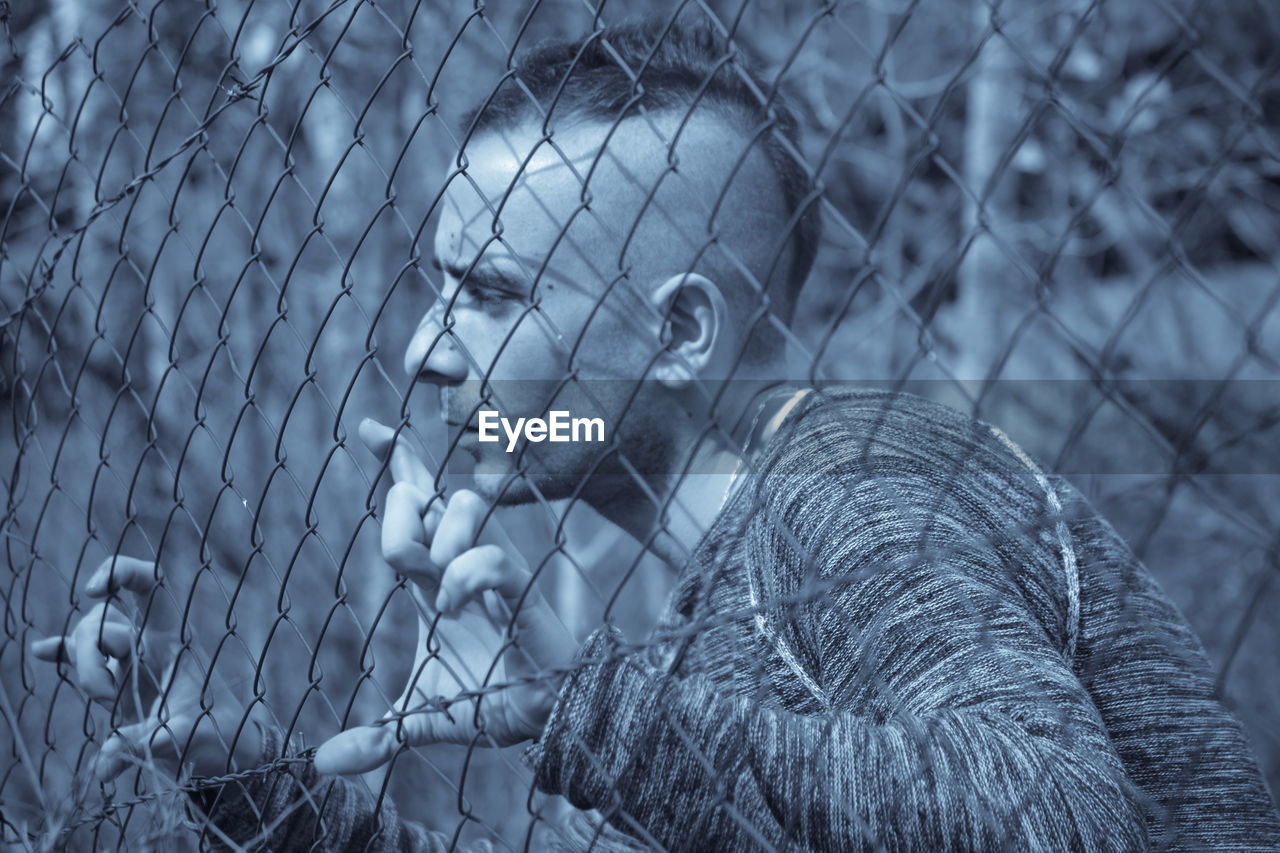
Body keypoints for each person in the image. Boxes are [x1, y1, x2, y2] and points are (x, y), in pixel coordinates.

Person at [34, 18, 1280, 852]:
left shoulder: (853, 492)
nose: (423, 348)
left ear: (680, 332)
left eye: (493, 290)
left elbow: (1060, 815)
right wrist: (257, 793)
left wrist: (573, 708)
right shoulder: (725, 587)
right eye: (438, 283)